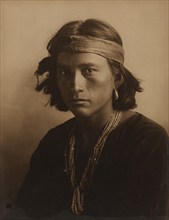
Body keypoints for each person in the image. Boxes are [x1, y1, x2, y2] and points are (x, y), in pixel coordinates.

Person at [11, 19, 168, 219]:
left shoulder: (147, 139)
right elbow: (24, 213)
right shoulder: (54, 141)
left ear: (117, 78)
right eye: (64, 72)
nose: (75, 85)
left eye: (89, 70)